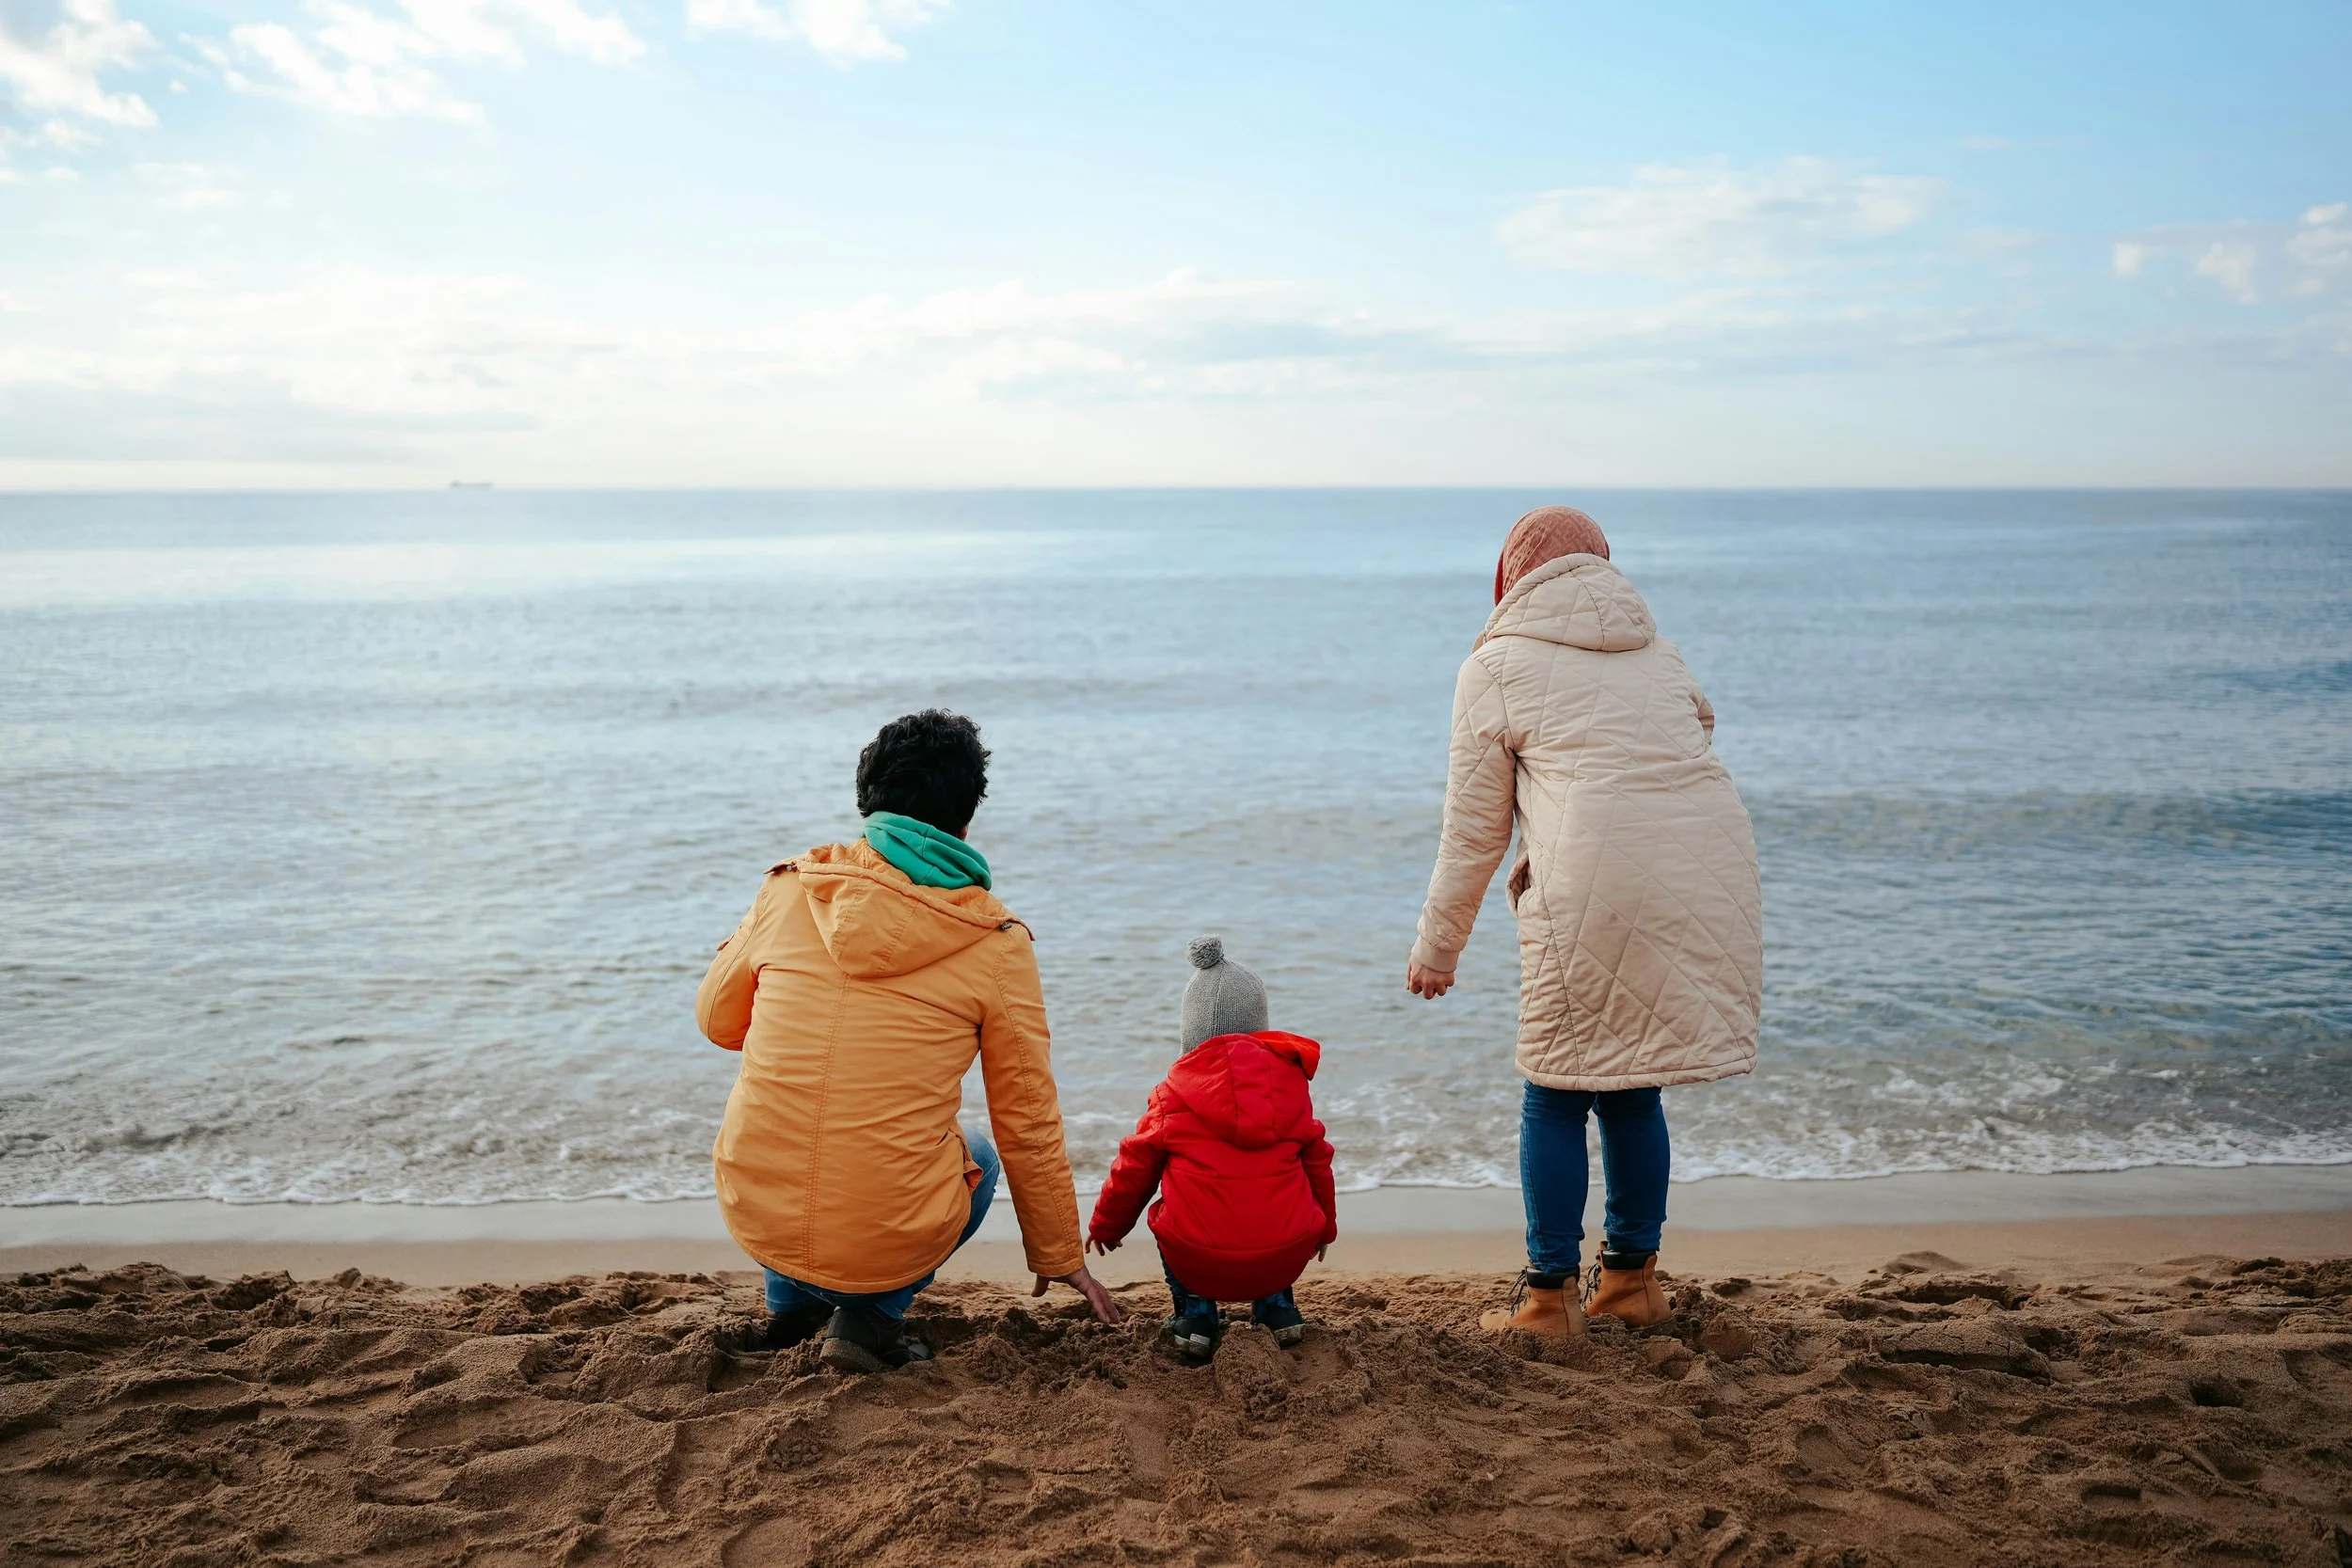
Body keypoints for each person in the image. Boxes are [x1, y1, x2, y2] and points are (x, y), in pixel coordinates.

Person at [1406, 506, 1762, 1342]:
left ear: (1511, 576)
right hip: (1692, 870)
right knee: (1633, 1086)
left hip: (1590, 889)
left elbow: (1474, 830)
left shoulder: (1494, 666)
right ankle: (1632, 1280)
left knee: (1555, 1091)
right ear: (1601, 565)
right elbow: (1699, 727)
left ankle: (1549, 1299)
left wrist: (1438, 947)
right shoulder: (1657, 649)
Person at [695, 708, 1121, 1372]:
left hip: (755, 1206)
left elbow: (718, 1023)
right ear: (966, 821)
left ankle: (793, 1309)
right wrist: (1060, 1256)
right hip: (878, 1239)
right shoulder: (996, 944)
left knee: (795, 1110)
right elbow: (1027, 1118)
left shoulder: (790, 888)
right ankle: (869, 1321)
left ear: (866, 800)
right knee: (979, 1153)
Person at [1086, 936, 1338, 1362]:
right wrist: (1325, 1227)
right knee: (1276, 1206)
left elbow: (1134, 1169)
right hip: (1284, 1256)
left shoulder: (1170, 1096)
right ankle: (1278, 1309)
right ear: (1261, 1028)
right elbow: (1318, 1165)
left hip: (1197, 1260)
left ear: (1191, 1032)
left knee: (1171, 1212)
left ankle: (1196, 1315)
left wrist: (1108, 1226)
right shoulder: (1290, 1090)